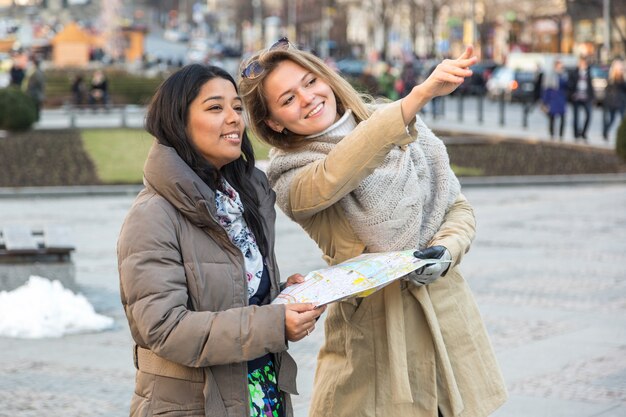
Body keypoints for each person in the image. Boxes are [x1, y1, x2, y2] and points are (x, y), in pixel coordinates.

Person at [239, 39, 507, 417]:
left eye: (310, 81)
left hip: (446, 321)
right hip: (378, 342)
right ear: (273, 122)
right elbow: (339, 171)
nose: (308, 98)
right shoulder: (290, 175)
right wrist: (417, 97)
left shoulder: (394, 122)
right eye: (287, 99)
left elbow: (457, 207)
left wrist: (445, 251)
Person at [117, 64, 325, 417]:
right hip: (192, 405)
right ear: (177, 122)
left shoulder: (242, 199)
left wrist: (283, 297)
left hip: (260, 394)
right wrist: (274, 324)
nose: (234, 119)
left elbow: (232, 296)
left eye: (237, 107)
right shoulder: (152, 216)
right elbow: (165, 329)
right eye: (215, 108)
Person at [568, 56, 595, 141]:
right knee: (576, 117)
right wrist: (572, 94)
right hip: (576, 97)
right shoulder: (574, 72)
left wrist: (592, 97)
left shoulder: (589, 72)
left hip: (586, 98)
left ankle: (583, 133)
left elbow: (591, 86)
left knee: (589, 115)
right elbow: (570, 84)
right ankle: (576, 134)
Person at [541, 60, 569, 140]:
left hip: (561, 98)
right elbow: (546, 88)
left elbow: (567, 86)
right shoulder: (550, 75)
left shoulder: (564, 75)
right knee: (552, 117)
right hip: (553, 98)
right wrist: (544, 101)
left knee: (563, 117)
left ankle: (561, 135)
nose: (560, 68)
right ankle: (552, 134)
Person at [602, 58, 626, 140]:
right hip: (613, 102)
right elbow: (608, 90)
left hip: (621, 102)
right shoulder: (612, 78)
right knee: (612, 119)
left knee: (623, 119)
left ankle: (622, 136)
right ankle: (605, 132)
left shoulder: (622, 78)